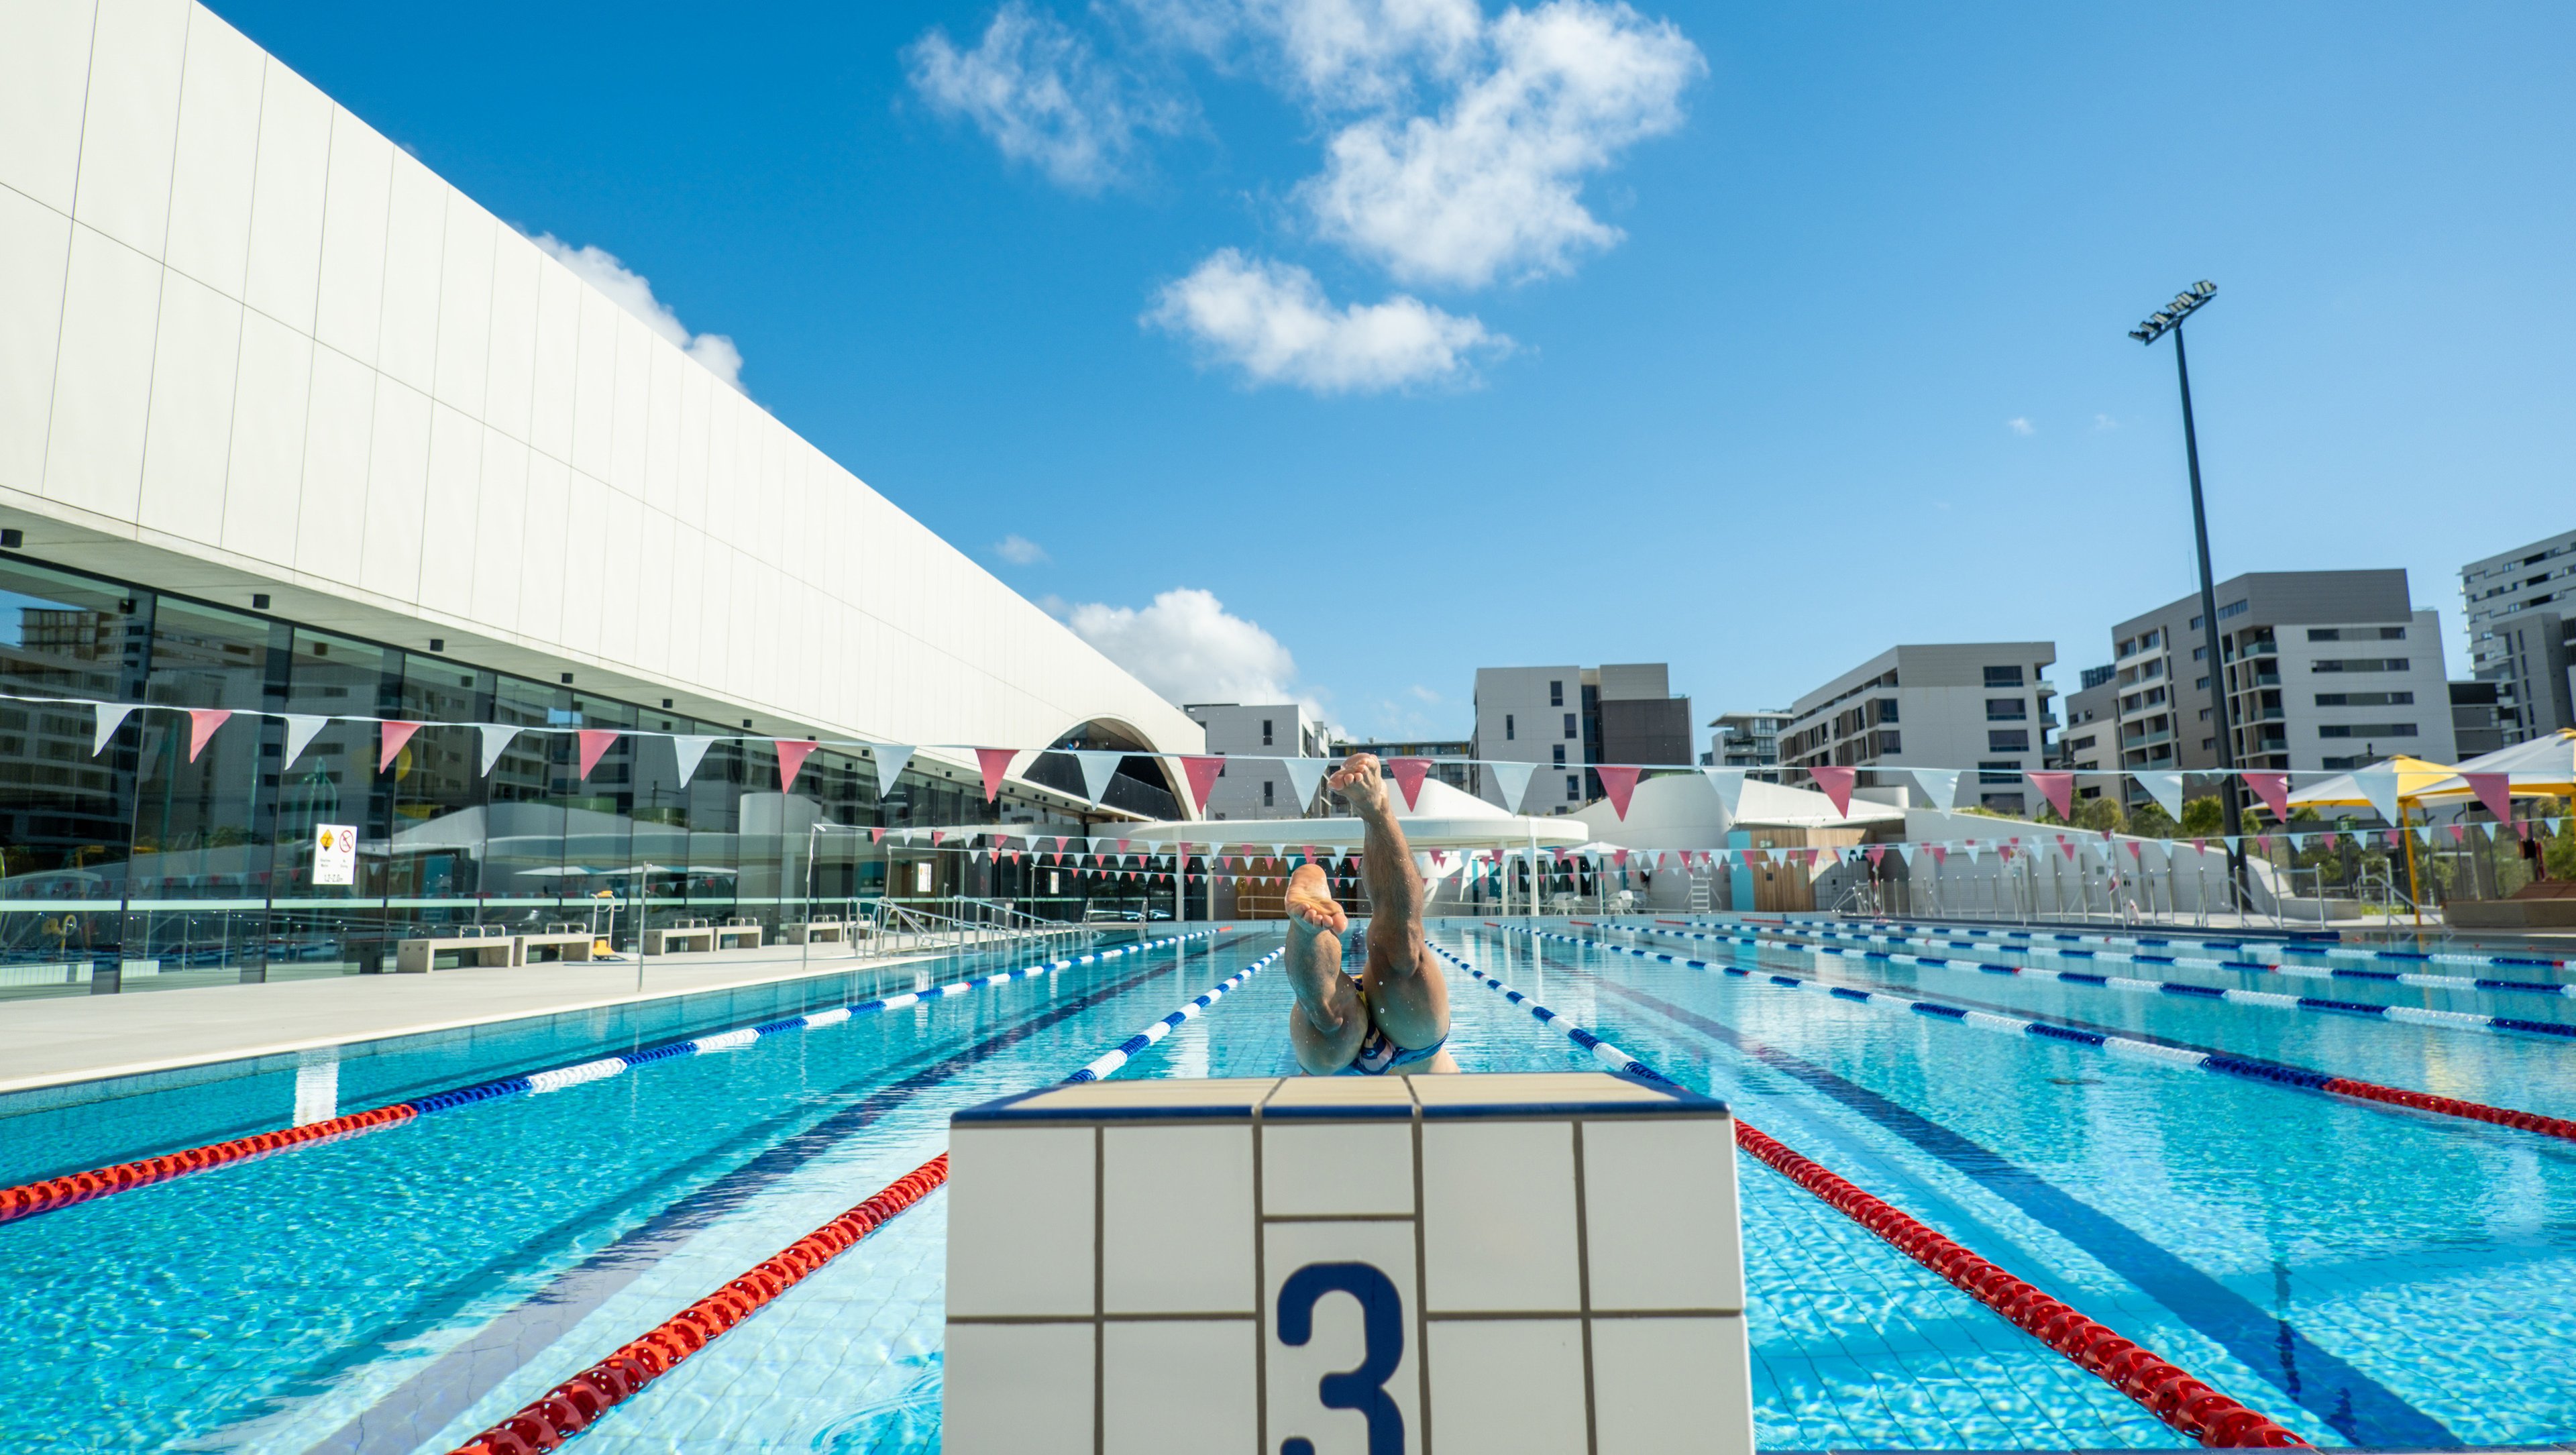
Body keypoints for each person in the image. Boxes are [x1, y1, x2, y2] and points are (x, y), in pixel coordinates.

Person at [1281, 753, 1457, 1075]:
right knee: (1403, 953)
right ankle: (1375, 810)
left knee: (1327, 1018)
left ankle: (1308, 932)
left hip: (1339, 1073)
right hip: (1420, 1055)